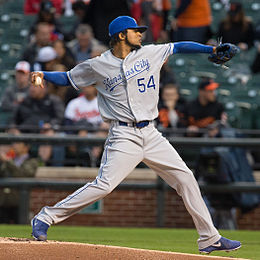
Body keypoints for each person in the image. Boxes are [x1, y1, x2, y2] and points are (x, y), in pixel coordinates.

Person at [30, 15, 241, 254]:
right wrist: (44, 76)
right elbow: (68, 78)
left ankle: (209, 238)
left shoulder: (150, 53)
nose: (141, 34)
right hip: (123, 135)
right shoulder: (98, 65)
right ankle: (46, 217)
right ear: (121, 35)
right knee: (104, 186)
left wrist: (210, 49)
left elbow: (179, 46)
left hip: (151, 133)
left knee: (186, 179)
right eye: (135, 30)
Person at [0, 130, 39, 224]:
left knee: (21, 229)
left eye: (18, 143)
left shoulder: (32, 161)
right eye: (14, 143)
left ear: (26, 147)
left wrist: (7, 161)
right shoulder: (10, 158)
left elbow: (23, 174)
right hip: (4, 201)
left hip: (20, 202)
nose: (14, 145)